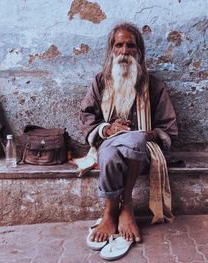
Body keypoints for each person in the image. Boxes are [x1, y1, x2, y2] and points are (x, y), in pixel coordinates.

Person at [80, 22, 178, 245]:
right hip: (108, 149)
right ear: (112, 49)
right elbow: (87, 117)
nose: (124, 51)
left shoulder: (153, 85)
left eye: (131, 46)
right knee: (112, 154)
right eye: (119, 45)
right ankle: (121, 209)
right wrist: (108, 129)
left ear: (139, 51)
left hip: (143, 154)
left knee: (134, 139)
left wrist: (138, 134)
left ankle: (113, 212)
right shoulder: (100, 82)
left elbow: (168, 128)